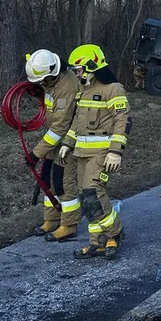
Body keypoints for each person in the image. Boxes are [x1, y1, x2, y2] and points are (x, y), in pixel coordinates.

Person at [59, 44, 130, 259]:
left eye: (79, 70)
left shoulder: (113, 89)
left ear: (91, 67)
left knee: (93, 192)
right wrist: (67, 143)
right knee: (85, 197)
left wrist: (116, 152)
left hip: (102, 153)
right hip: (82, 153)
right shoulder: (83, 91)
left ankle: (115, 233)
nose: (76, 74)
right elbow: (76, 123)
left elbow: (123, 121)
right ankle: (97, 242)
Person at [23, 49, 81, 242]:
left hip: (66, 141)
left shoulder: (67, 87)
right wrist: (38, 90)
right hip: (54, 140)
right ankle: (51, 219)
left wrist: (36, 153)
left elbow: (60, 127)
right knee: (47, 179)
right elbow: (50, 100)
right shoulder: (52, 81)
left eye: (42, 81)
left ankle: (69, 224)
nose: (41, 85)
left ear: (51, 74)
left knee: (62, 183)